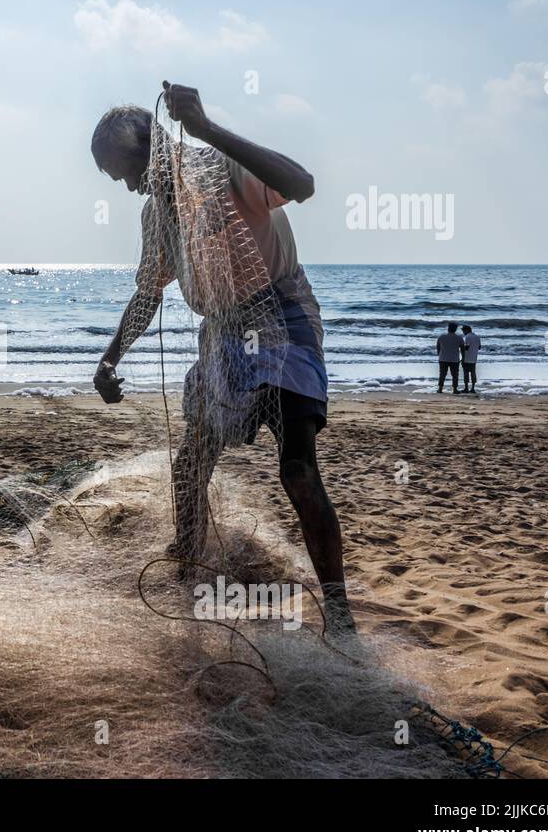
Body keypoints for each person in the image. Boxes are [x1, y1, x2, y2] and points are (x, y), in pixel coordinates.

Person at [89, 83, 355, 636]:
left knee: (298, 469)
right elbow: (148, 294)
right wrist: (110, 359)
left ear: (153, 147)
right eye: (119, 181)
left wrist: (206, 126)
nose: (130, 186)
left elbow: (301, 184)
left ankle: (341, 611)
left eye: (127, 171)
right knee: (191, 463)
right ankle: (188, 570)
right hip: (223, 333)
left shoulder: (223, 169)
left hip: (281, 317)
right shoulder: (156, 217)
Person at [437, 322, 463, 393]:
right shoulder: (459, 337)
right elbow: (462, 349)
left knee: (442, 374)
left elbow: (438, 347)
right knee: (455, 375)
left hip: (443, 358)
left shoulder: (442, 336)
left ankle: (440, 389)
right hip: (454, 359)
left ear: (448, 328)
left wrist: (439, 354)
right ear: (455, 329)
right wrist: (463, 357)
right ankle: (455, 389)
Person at [461, 325, 480, 393]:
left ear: (466, 330)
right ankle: (472, 388)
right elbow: (479, 347)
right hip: (474, 358)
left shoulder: (467, 337)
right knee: (473, 373)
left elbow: (466, 348)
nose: (463, 332)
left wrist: (461, 347)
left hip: (467, 358)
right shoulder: (477, 337)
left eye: (463, 330)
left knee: (466, 373)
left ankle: (466, 388)